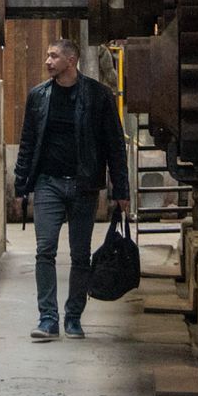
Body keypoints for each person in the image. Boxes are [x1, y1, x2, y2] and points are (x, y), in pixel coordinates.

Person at [12, 39, 130, 341]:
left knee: (80, 255)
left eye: (54, 56)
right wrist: (21, 187)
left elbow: (115, 145)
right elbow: (27, 143)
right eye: (47, 56)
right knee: (45, 250)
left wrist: (121, 190)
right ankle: (47, 319)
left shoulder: (98, 96)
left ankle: (73, 317)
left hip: (83, 184)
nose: (48, 61)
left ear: (71, 60)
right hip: (48, 183)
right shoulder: (39, 96)